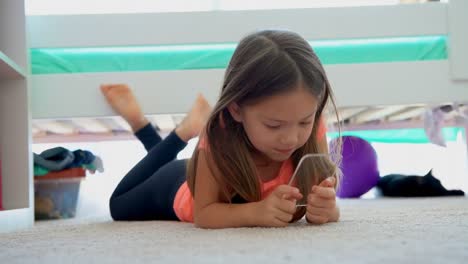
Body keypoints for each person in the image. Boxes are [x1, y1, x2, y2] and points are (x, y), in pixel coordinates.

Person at [105, 30, 341, 229]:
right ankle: (170, 131)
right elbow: (204, 215)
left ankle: (180, 131)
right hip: (176, 186)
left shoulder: (311, 122)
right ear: (236, 109)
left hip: (206, 168)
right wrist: (255, 213)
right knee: (118, 205)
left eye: (304, 122)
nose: (291, 138)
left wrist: (326, 209)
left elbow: (324, 202)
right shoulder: (219, 135)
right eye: (274, 125)